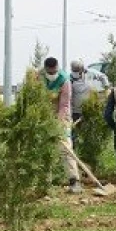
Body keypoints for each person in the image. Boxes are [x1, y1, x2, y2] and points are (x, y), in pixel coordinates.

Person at [43, 57, 81, 194]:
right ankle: (45, 181)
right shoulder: (38, 78)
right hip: (43, 117)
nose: (52, 75)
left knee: (65, 147)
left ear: (57, 68)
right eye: (50, 72)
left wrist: (58, 125)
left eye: (54, 72)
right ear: (45, 69)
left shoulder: (64, 80)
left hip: (62, 116)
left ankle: (74, 180)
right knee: (44, 148)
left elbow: (64, 105)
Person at [68, 60, 91, 149]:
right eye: (74, 70)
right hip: (75, 112)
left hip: (87, 111)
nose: (75, 72)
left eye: (77, 70)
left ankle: (86, 150)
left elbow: (102, 77)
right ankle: (74, 151)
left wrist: (106, 87)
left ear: (81, 70)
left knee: (87, 133)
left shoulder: (89, 75)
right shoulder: (69, 80)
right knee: (74, 134)